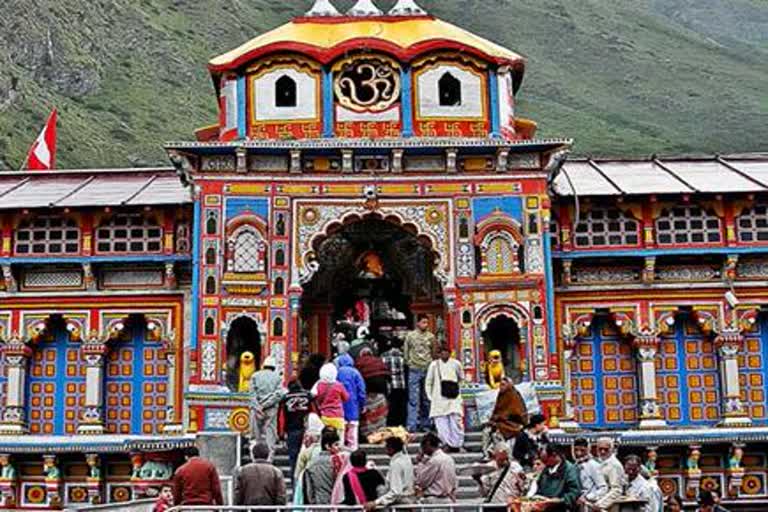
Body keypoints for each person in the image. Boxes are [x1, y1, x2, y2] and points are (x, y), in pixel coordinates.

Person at [425, 346, 465, 451]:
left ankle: (457, 444)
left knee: (456, 422)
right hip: (438, 398)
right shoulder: (434, 365)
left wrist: (458, 391)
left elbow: (461, 378)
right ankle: (445, 444)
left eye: (446, 352)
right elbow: (429, 382)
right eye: (442, 352)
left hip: (454, 398)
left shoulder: (456, 364)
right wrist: (430, 396)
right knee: (441, 423)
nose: (444, 354)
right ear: (439, 354)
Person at [404, 314, 438, 431]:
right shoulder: (410, 336)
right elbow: (406, 352)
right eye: (423, 322)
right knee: (413, 398)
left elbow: (434, 353)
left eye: (427, 323)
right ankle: (411, 425)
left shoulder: (431, 337)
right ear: (417, 323)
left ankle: (426, 424)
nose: (425, 325)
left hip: (427, 369)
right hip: (414, 369)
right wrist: (409, 362)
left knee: (427, 398)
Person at [366, 436, 415, 510]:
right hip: (408, 497)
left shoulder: (396, 464)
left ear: (391, 449)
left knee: (380, 490)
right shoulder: (407, 459)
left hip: (402, 500)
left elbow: (396, 492)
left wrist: (376, 502)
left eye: (386, 447)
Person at [249, 356, 285, 457]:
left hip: (256, 410)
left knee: (255, 435)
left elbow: (252, 394)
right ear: (273, 367)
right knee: (270, 433)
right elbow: (278, 394)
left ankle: (253, 457)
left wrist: (258, 406)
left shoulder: (255, 376)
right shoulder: (277, 377)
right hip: (271, 408)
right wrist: (266, 405)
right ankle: (269, 458)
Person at [531, 444, 582, 512]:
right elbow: (539, 487)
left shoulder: (570, 469)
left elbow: (574, 492)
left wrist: (558, 500)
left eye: (546, 461)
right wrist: (537, 498)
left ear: (554, 455)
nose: (544, 464)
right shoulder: (546, 470)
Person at [234, 442, 287, 506]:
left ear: (253, 455)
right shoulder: (276, 472)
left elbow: (238, 496)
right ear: (268, 455)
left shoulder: (243, 471)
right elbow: (281, 497)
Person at [476, 442, 525, 510]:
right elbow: (484, 493)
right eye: (501, 460)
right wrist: (479, 481)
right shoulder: (488, 468)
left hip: (512, 506)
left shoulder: (516, 467)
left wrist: (521, 480)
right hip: (495, 505)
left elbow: (524, 488)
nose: (504, 462)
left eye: (506, 459)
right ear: (495, 456)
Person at [281, 378, 312, 482]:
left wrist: (281, 434)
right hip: (307, 431)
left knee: (294, 459)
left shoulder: (285, 398)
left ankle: (295, 484)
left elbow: (282, 418)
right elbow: (315, 412)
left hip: (292, 431)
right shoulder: (308, 396)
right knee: (309, 458)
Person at [414, 432, 457, 505]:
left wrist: (420, 462)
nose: (422, 450)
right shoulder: (449, 459)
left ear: (428, 444)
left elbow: (421, 481)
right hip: (448, 499)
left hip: (434, 501)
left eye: (423, 447)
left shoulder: (434, 461)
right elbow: (454, 481)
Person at [356, 351, 391, 439]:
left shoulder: (359, 361)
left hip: (368, 384)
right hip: (382, 384)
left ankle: (368, 432)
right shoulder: (378, 360)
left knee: (369, 409)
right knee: (381, 408)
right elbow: (387, 372)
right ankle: (380, 430)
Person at [304, 428, 343, 505]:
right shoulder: (338, 462)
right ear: (327, 446)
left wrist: (313, 502)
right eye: (336, 444)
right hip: (337, 503)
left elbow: (309, 490)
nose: (339, 447)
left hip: (319, 503)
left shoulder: (311, 464)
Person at [337, 353, 367, 450]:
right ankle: (353, 452)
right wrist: (362, 405)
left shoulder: (337, 372)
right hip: (353, 406)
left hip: (340, 407)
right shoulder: (355, 373)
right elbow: (361, 391)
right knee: (353, 433)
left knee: (341, 433)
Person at [313, 363, 350, 440]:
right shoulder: (339, 385)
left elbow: (314, 397)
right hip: (337, 416)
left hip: (324, 416)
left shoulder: (319, 385)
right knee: (339, 439)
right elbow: (346, 398)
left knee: (325, 439)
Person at [573, 437, 608, 509]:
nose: (578, 453)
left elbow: (603, 488)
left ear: (588, 450)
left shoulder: (593, 465)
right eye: (576, 450)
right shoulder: (575, 465)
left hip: (589, 506)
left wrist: (587, 497)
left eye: (582, 450)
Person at [594, 437, 626, 511]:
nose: (602, 451)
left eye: (606, 449)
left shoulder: (614, 465)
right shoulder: (599, 462)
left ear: (611, 449)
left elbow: (616, 490)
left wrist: (600, 504)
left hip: (609, 506)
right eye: (600, 449)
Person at [382, 338, 407, 427]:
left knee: (390, 405)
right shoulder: (403, 356)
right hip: (401, 384)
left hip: (389, 384)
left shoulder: (384, 356)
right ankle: (400, 423)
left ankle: (390, 423)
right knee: (400, 405)